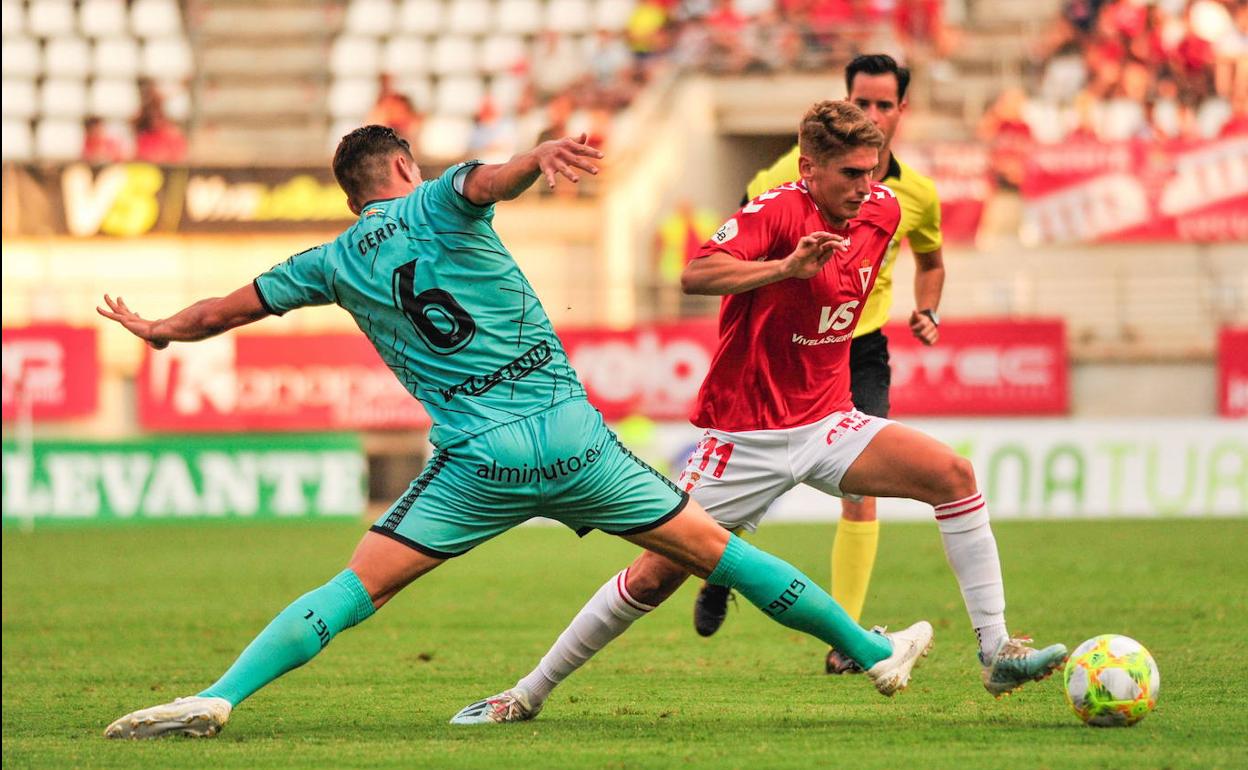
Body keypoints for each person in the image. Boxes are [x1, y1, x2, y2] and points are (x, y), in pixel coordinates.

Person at [99, 125, 933, 739]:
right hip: (573, 441)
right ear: (403, 167)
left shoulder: (329, 262)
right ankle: (869, 651)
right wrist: (539, 156)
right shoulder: (438, 198)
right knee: (719, 553)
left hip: (478, 460)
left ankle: (220, 695)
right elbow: (491, 181)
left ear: (352, 198)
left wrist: (161, 329)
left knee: (358, 590)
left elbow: (222, 311)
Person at [450, 100, 1065, 726]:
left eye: (871, 169)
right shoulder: (776, 211)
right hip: (743, 439)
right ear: (809, 168)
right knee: (653, 578)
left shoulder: (884, 211)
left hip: (829, 424)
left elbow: (873, 284)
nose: (866, 185)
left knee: (953, 475)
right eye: (851, 173)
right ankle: (526, 694)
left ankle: (996, 651)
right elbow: (696, 274)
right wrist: (786, 268)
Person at [705, 53, 946, 675]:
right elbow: (739, 240)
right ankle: (718, 558)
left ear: (902, 110)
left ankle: (847, 640)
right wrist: (782, 272)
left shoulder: (914, 196)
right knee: (753, 478)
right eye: (861, 102)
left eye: (884, 104)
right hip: (785, 345)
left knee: (860, 491)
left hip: (858, 348)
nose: (873, 113)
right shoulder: (793, 171)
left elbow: (931, 260)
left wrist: (927, 309)